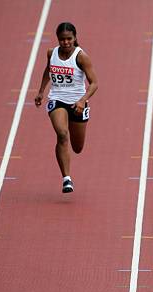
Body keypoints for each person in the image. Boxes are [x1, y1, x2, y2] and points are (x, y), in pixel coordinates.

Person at [35, 22, 98, 193]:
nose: (66, 42)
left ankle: (67, 173)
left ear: (75, 38)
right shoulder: (51, 53)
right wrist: (41, 91)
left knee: (77, 148)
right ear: (58, 39)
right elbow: (48, 70)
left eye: (69, 39)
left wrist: (82, 100)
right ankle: (66, 179)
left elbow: (94, 83)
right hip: (57, 99)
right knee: (62, 135)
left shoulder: (81, 57)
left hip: (77, 103)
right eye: (62, 39)